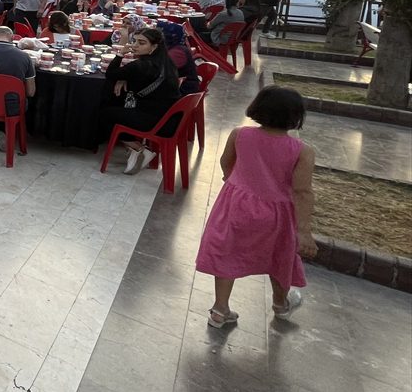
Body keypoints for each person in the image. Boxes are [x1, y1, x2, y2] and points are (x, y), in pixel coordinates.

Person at [196, 87, 317, 328]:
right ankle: (281, 305)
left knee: (227, 251)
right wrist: (303, 230)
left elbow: (225, 162)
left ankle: (220, 310)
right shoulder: (302, 151)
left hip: (236, 204)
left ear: (257, 108)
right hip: (277, 214)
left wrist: (236, 182)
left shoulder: (239, 134)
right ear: (296, 117)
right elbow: (303, 191)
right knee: (280, 256)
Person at [98, 27, 182, 174]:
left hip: (154, 121)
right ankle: (135, 151)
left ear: (154, 47)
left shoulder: (141, 65)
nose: (135, 45)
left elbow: (111, 74)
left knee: (104, 112)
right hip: (169, 117)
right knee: (119, 105)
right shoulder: (167, 62)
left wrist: (120, 54)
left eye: (141, 43)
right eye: (134, 41)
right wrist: (125, 79)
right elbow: (145, 81)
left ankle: (138, 148)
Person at [158, 20, 202, 94]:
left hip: (183, 89)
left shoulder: (177, 52)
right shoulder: (174, 47)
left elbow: (161, 71)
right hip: (175, 84)